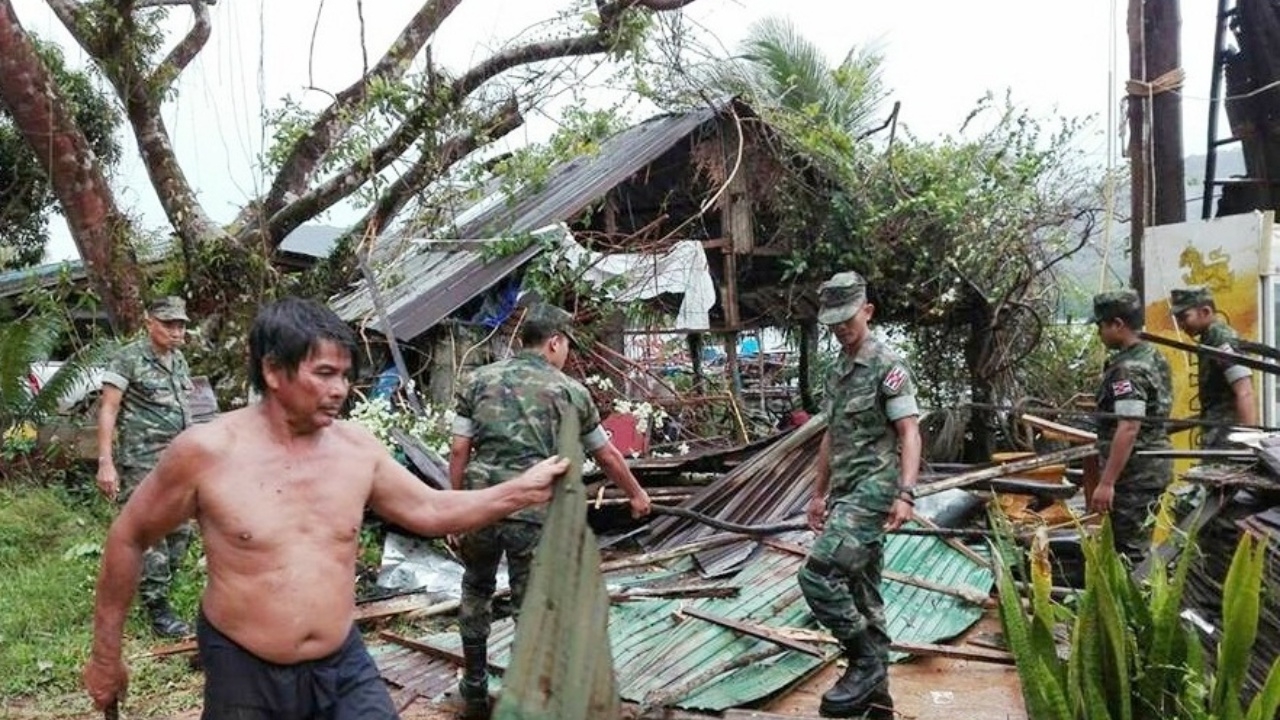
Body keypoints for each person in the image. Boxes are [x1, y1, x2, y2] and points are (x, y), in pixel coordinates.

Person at [84, 297, 567, 719]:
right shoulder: (206, 453)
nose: (340, 389)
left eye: (344, 375)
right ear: (274, 371)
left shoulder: (357, 449)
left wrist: (520, 491)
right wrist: (107, 655)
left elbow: (431, 509)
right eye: (324, 374)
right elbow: (129, 537)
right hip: (242, 663)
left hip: (341, 662)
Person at [448, 303, 653, 719]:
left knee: (475, 590)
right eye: (566, 346)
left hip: (479, 508)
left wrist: (456, 506)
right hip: (533, 513)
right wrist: (636, 494)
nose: (566, 355)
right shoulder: (570, 391)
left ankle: (472, 688)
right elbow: (607, 454)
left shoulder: (476, 381)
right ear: (554, 342)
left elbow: (458, 450)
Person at [798, 271, 920, 720]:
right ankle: (876, 700)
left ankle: (864, 660)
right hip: (845, 493)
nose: (840, 329)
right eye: (833, 322)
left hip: (874, 491)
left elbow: (909, 432)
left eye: (847, 319)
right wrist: (817, 493)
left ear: (867, 311)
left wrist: (905, 493)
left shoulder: (888, 366)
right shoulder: (839, 371)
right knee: (864, 593)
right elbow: (832, 435)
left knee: (817, 576)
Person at [95, 295, 196, 638]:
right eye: (169, 323)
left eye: (181, 324)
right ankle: (159, 610)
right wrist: (105, 462)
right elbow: (108, 409)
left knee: (182, 531)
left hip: (180, 461)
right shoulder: (128, 359)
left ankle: (161, 592)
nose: (177, 330)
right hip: (143, 463)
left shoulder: (179, 361)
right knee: (152, 532)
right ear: (148, 321)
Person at [1088, 290, 1174, 564]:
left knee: (1129, 552)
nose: (1099, 333)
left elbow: (1129, 425)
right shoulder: (1153, 356)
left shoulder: (1128, 369)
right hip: (1152, 467)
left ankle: (1137, 603)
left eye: (1101, 325)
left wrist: (1107, 482)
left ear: (1117, 324)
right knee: (1137, 543)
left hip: (1134, 475)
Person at [1169, 286, 1256, 448]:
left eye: (1184, 317)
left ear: (1206, 312)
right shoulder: (1208, 339)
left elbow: (1245, 391)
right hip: (1216, 437)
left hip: (1229, 442)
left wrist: (1249, 444)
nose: (1181, 325)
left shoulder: (1221, 339)